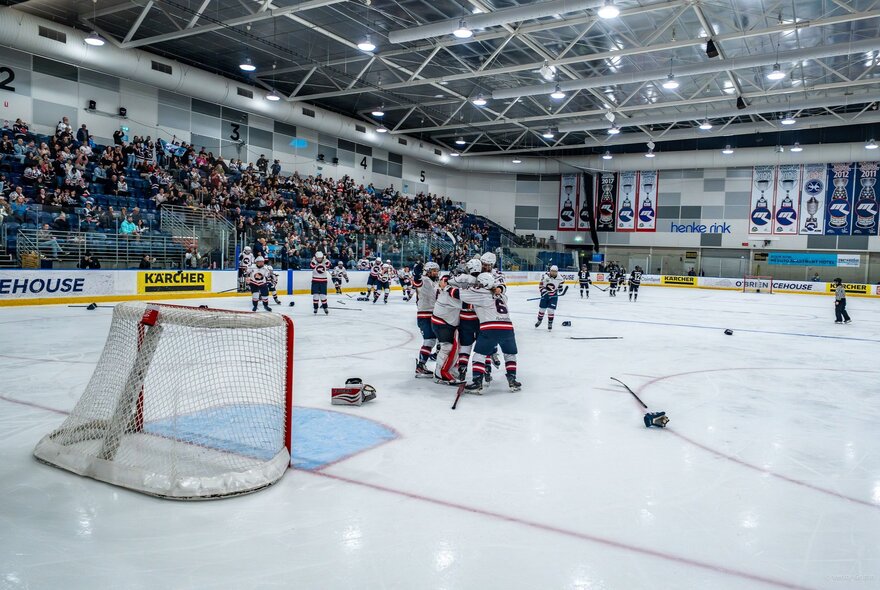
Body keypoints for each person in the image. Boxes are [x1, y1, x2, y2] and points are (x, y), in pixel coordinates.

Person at [455, 273, 521, 393]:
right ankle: (512, 380)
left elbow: (457, 294)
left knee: (478, 355)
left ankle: (477, 382)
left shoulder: (481, 295)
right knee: (509, 354)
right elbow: (502, 290)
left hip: (491, 328)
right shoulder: (502, 296)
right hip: (508, 328)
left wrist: (446, 287)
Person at [412, 261, 440, 378]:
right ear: (427, 272)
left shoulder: (435, 282)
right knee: (429, 341)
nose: (436, 273)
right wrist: (417, 275)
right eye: (433, 271)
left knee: (438, 340)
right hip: (425, 315)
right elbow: (417, 283)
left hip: (436, 314)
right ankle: (421, 365)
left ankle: (435, 358)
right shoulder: (424, 280)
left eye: (437, 271)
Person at [535, 265, 564, 330]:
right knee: (542, 309)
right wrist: (543, 292)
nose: (553, 272)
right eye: (552, 271)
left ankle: (550, 323)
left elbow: (561, 284)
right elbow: (541, 285)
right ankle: (539, 320)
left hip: (553, 296)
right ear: (550, 271)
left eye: (555, 271)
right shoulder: (545, 276)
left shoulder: (560, 278)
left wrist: (560, 288)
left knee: (550, 310)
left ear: (557, 272)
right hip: (545, 295)